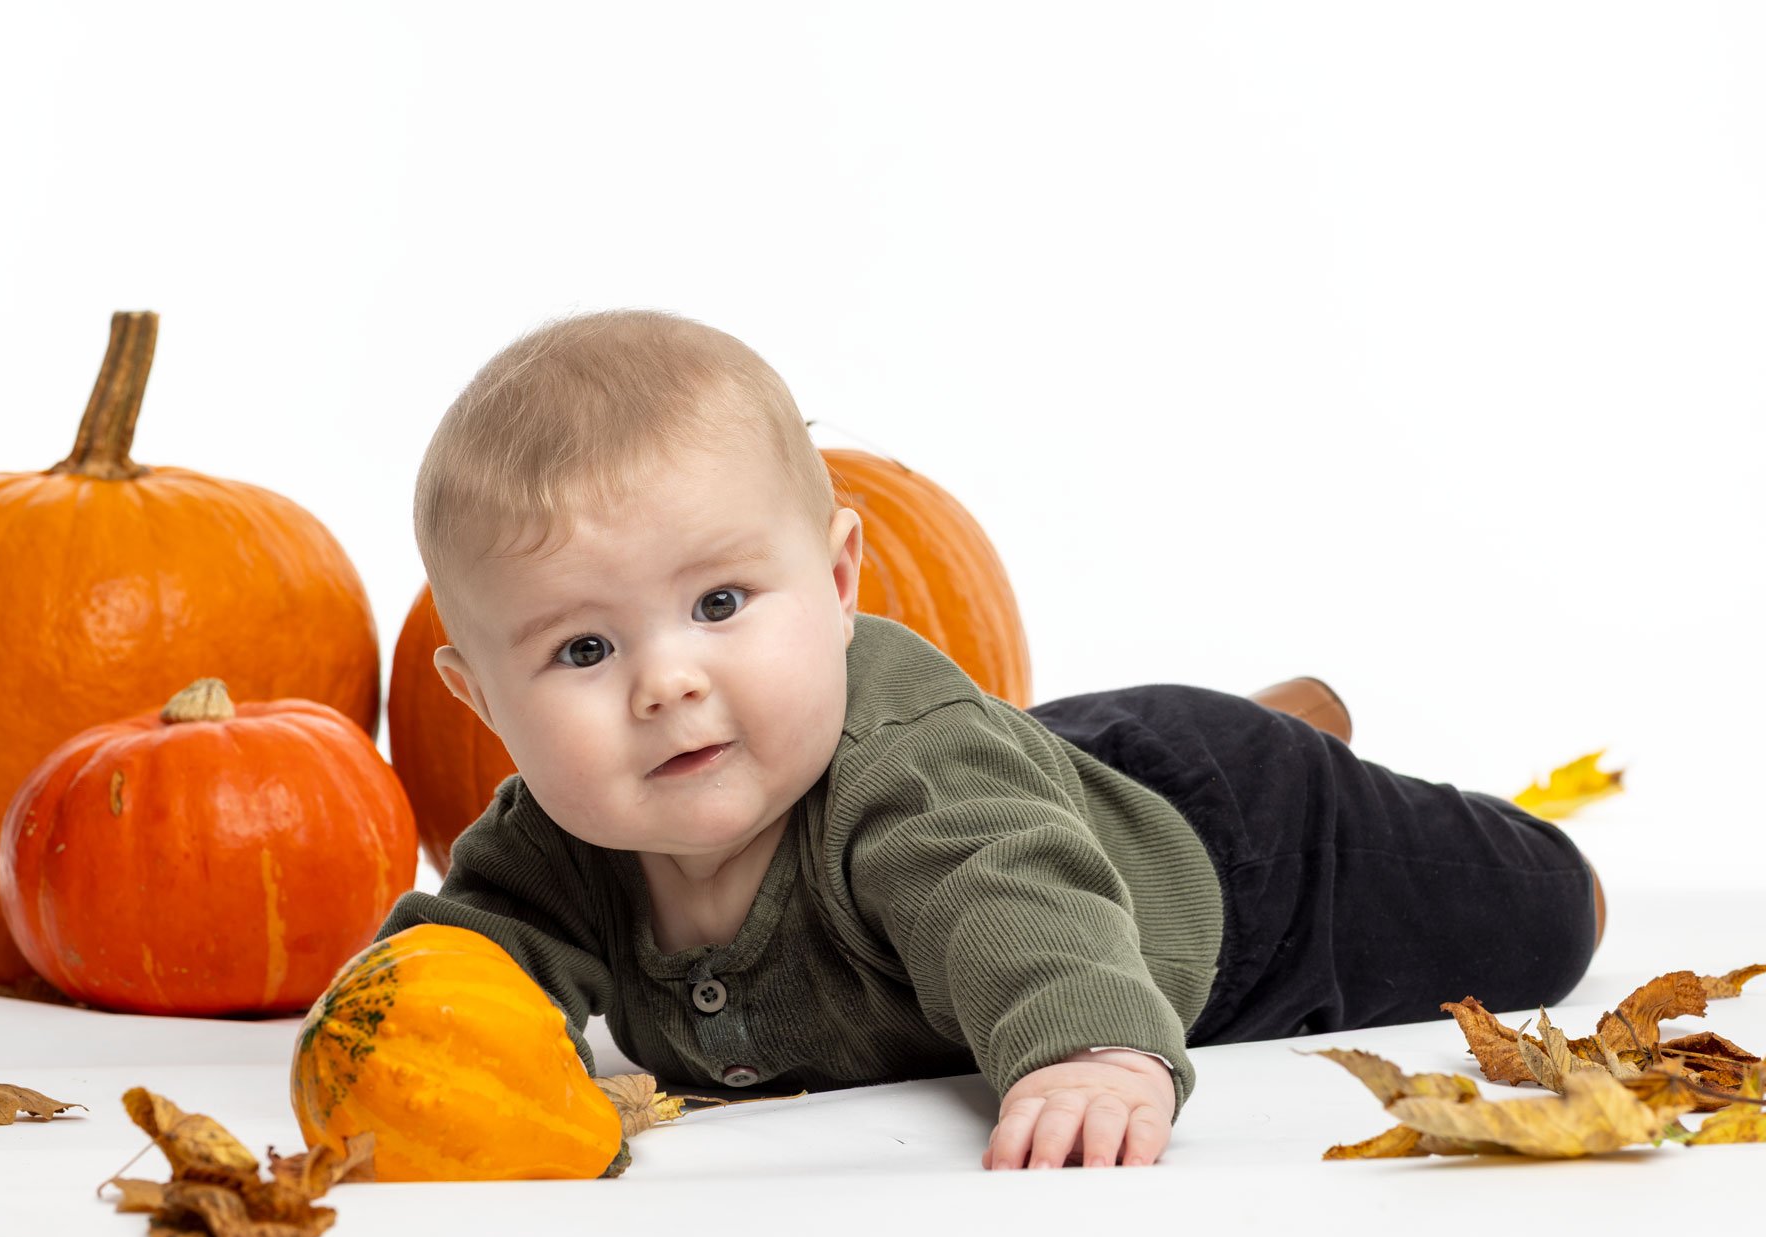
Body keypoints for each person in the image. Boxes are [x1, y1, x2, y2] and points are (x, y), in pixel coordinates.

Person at [377, 308, 1605, 1170]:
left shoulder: (912, 783)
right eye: (585, 650)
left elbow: (1009, 894)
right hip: (1049, 766)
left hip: (1244, 857)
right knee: (1022, 764)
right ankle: (1262, 716)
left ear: (841, 582)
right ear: (482, 700)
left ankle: (1298, 747)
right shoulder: (556, 842)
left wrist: (1088, 1054)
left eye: (719, 603)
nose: (667, 683)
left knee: (1539, 918)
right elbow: (457, 969)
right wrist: (392, 1057)